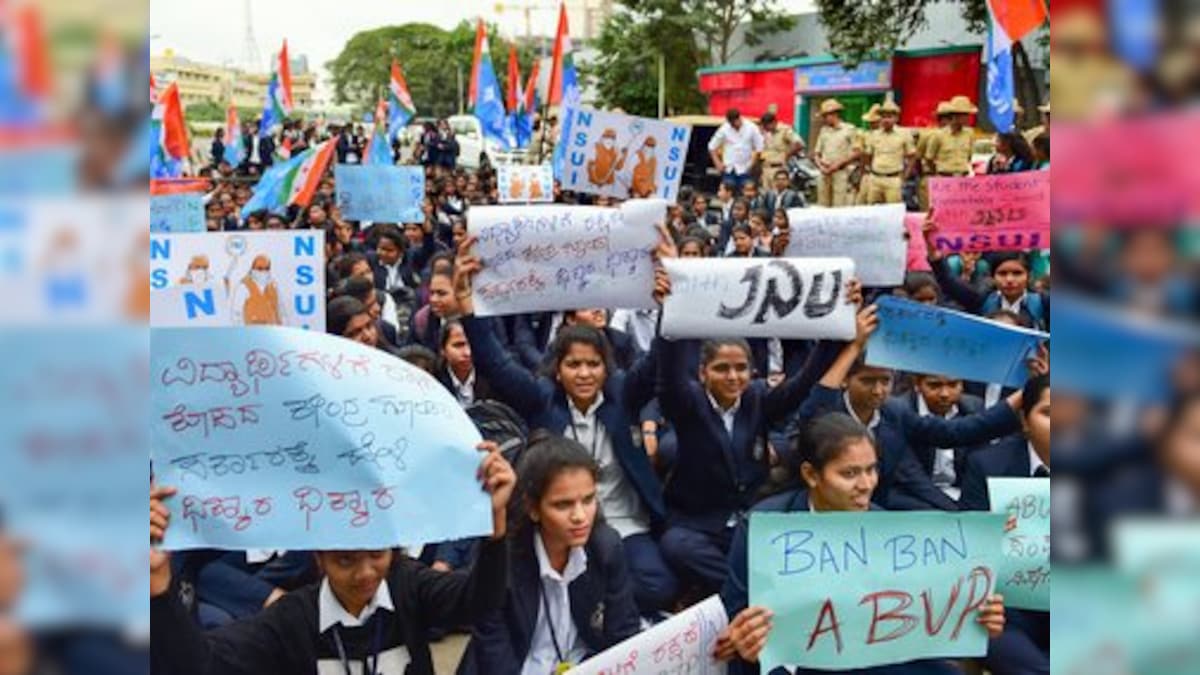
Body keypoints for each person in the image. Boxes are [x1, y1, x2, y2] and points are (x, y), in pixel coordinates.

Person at [453, 230, 681, 615]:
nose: (585, 373)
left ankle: (594, 607)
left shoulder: (625, 394)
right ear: (557, 370)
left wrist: (673, 301)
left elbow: (661, 360)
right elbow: (496, 362)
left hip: (625, 523)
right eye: (573, 364)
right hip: (560, 530)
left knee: (658, 585)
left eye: (594, 364)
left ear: (606, 367)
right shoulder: (542, 399)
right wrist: (467, 307)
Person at [148, 442, 517, 675]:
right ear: (319, 559)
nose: (366, 573)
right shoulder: (290, 621)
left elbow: (480, 602)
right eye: (345, 560)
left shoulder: (408, 586)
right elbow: (198, 664)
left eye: (377, 553)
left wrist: (496, 532)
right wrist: (159, 590)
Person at [717, 413, 1009, 675]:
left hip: (875, 657)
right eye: (849, 473)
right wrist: (746, 637)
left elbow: (920, 618)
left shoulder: (884, 528)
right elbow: (735, 615)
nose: (866, 484)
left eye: (871, 469)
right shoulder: (762, 527)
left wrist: (975, 618)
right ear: (811, 475)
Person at [795, 304, 1025, 511]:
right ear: (846, 379)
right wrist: (855, 347)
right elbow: (815, 406)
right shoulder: (826, 414)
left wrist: (1024, 395)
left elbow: (953, 432)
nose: (878, 391)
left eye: (885, 381)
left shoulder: (894, 413)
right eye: (867, 381)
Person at [456, 434, 640, 674]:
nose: (580, 516)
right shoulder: (504, 561)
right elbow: (492, 641)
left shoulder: (605, 548)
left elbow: (623, 634)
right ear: (533, 509)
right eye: (563, 505)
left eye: (588, 500)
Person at [958, 373, 1050, 674]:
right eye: (1048, 413)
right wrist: (992, 539)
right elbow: (966, 554)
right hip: (1006, 611)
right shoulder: (988, 466)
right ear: (1024, 421)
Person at [926, 219, 1050, 331]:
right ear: (992, 276)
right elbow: (950, 283)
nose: (1009, 279)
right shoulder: (982, 300)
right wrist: (935, 255)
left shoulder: (1043, 303)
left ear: (1029, 275)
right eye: (1002, 273)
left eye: (1017, 273)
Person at [885, 373, 986, 501]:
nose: (945, 394)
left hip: (960, 492)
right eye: (934, 385)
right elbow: (908, 476)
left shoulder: (973, 408)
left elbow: (978, 463)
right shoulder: (899, 412)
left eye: (953, 385)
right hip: (915, 496)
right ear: (917, 384)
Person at [863, 99, 915, 204]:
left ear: (896, 118)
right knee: (873, 211)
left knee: (893, 212)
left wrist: (905, 176)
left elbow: (912, 156)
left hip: (894, 179)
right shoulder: (874, 135)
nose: (886, 120)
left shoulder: (904, 134)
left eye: (889, 117)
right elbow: (868, 155)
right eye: (883, 117)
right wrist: (869, 170)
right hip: (875, 178)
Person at [812, 99, 858, 207]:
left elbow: (857, 152)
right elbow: (816, 153)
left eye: (826, 116)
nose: (824, 119)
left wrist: (838, 164)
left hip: (841, 172)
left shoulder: (849, 129)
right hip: (824, 172)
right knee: (823, 205)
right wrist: (820, 166)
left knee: (839, 205)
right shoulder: (824, 130)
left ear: (834, 114)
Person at [436, 319, 493, 406]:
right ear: (443, 350)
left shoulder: (492, 379)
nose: (467, 353)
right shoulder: (434, 382)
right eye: (458, 345)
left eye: (472, 344)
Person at [708, 109, 763, 189]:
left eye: (735, 123)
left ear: (739, 118)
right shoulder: (724, 128)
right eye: (732, 124)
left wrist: (752, 165)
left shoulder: (751, 127)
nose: (734, 125)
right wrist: (717, 163)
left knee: (746, 194)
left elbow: (759, 148)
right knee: (727, 193)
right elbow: (711, 146)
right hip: (729, 168)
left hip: (746, 168)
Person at [924, 95, 976, 179]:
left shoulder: (969, 134)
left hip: (963, 178)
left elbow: (969, 157)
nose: (968, 118)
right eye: (965, 115)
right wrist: (938, 174)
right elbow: (929, 159)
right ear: (955, 116)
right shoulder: (938, 135)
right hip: (944, 178)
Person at [231, 254, 284, 325]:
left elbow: (281, 310)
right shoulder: (244, 286)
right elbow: (236, 313)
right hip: (251, 332)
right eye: (260, 268)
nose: (263, 271)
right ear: (253, 269)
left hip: (271, 331)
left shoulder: (273, 286)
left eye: (266, 268)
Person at [757, 111, 803, 181]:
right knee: (767, 192)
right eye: (764, 126)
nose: (765, 128)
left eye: (766, 125)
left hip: (778, 169)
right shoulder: (766, 133)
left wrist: (786, 155)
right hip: (766, 169)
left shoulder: (784, 130)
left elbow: (799, 144)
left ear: (774, 122)